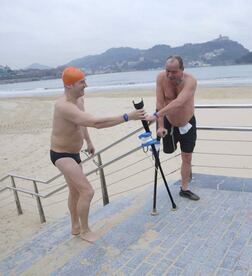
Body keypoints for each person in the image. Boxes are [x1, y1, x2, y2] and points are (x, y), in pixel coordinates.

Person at [50, 67, 145, 242]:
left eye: (85, 81)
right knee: (87, 191)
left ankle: (75, 226)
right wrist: (127, 117)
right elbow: (96, 122)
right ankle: (85, 231)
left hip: (74, 153)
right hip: (61, 155)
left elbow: (81, 123)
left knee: (75, 191)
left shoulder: (79, 100)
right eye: (82, 82)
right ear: (69, 85)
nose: (86, 85)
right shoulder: (63, 106)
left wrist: (88, 141)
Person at [146, 56, 200, 201]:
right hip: (168, 121)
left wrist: (156, 115)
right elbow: (160, 102)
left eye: (174, 72)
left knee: (187, 156)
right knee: (168, 151)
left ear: (182, 69)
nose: (169, 75)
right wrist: (161, 125)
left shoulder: (191, 81)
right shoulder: (161, 78)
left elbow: (179, 102)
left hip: (187, 123)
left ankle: (185, 188)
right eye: (167, 71)